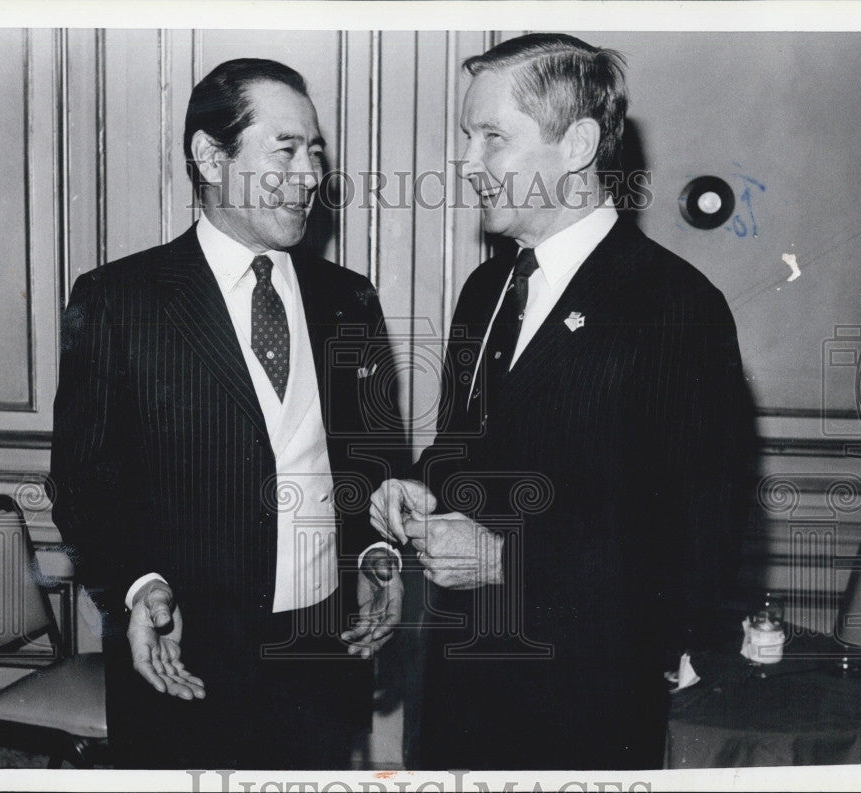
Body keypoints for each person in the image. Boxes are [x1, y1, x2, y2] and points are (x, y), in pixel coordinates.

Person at [371, 34, 755, 770]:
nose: (466, 160)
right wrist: (419, 487)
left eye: (492, 136)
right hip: (456, 693)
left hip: (581, 711)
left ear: (576, 143)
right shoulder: (486, 291)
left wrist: (507, 562)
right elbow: (468, 449)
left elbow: (696, 557)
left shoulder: (675, 307)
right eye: (466, 135)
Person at [51, 58, 406, 769]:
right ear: (211, 157)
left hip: (321, 648)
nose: (310, 175)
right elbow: (83, 484)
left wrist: (377, 553)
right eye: (286, 150)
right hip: (186, 656)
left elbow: (377, 456)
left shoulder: (349, 298)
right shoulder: (120, 302)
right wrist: (137, 587)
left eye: (315, 151)